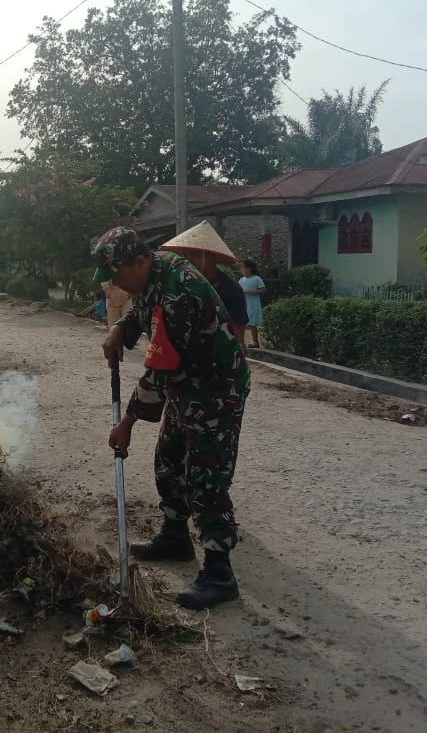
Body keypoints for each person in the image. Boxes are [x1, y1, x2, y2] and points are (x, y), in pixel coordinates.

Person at [94, 227, 250, 609]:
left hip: (215, 390)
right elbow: (142, 309)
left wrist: (127, 422)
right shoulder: (155, 272)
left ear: (141, 261)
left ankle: (219, 573)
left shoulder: (180, 290)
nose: (115, 282)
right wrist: (121, 327)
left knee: (205, 477)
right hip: (187, 385)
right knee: (168, 461)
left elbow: (159, 371)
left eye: (118, 274)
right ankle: (175, 537)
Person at [163, 220, 248, 345]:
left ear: (210, 256)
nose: (188, 261)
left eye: (194, 255)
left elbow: (238, 331)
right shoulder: (183, 284)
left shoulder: (230, 289)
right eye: (185, 255)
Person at [237, 259, 267, 348]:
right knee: (242, 322)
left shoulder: (256, 278)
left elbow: (263, 290)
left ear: (248, 268)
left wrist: (251, 292)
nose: (240, 270)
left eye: (242, 267)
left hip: (253, 304)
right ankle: (242, 341)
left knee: (252, 323)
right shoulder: (241, 279)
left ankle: (255, 341)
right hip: (243, 304)